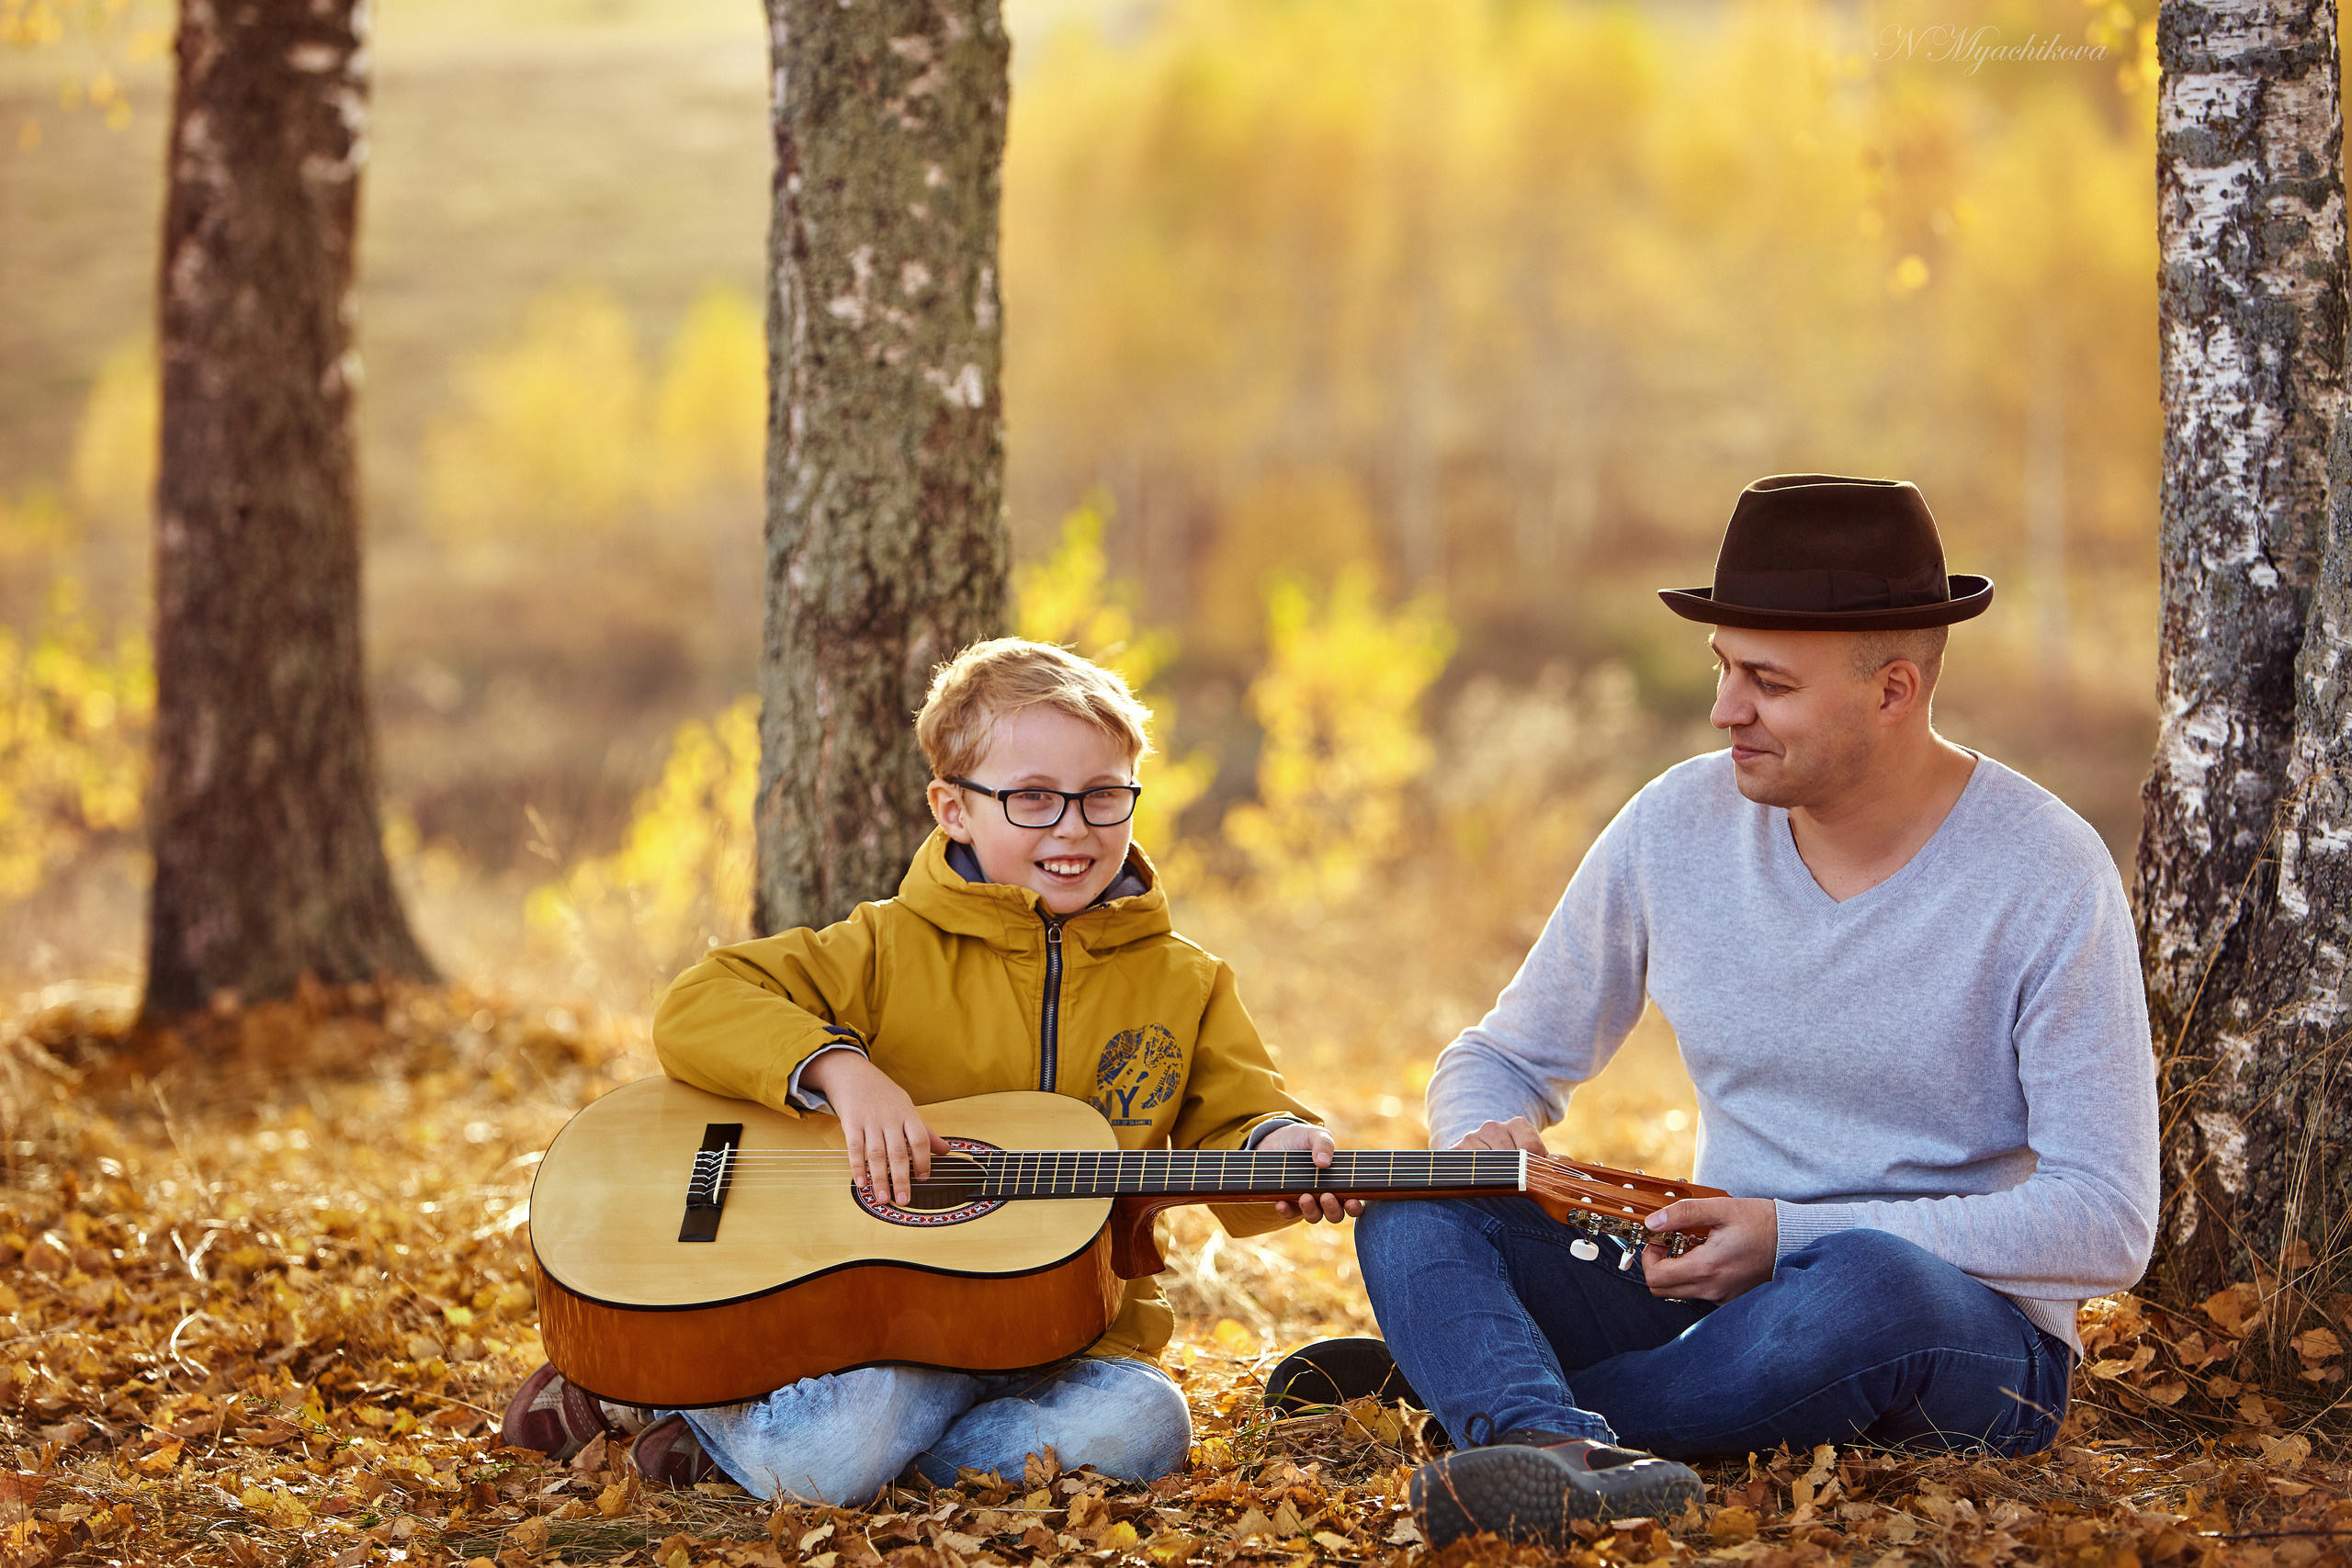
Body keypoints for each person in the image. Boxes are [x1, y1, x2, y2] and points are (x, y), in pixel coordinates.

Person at [1351, 474, 2159, 1548]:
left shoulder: (2044, 871)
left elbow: (2106, 1225)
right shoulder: (1674, 825)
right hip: (1709, 1294)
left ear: (1894, 691)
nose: (1726, 709)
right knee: (1417, 1201)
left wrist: (1792, 1235)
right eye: (1724, 669)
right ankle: (1553, 1455)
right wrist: (1480, 1137)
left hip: (1955, 1329)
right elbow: (1500, 1055)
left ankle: (1477, 1398)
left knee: (1868, 1286)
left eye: (1767, 683)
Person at [502, 637, 1359, 1501]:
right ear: (953, 808)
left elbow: (1239, 1121)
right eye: (1032, 798)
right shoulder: (883, 947)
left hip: (1076, 1342)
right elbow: (702, 1000)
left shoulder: (1188, 981)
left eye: (1104, 796)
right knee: (836, 1448)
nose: (1074, 827)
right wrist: (839, 1069)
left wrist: (1278, 1141)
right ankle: (684, 1401)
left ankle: (733, 1437)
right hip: (892, 1334)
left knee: (1143, 1428)